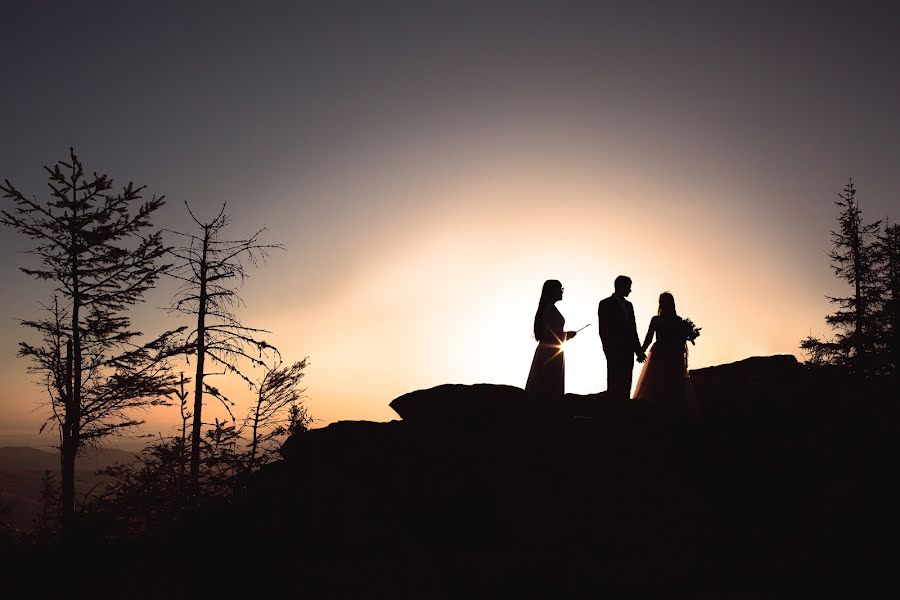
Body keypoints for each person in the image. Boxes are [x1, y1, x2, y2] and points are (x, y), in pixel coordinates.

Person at [633, 292, 697, 415]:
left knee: (663, 385)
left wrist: (641, 351)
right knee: (664, 384)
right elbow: (649, 338)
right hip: (667, 355)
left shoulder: (660, 320)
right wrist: (641, 351)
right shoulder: (676, 321)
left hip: (667, 355)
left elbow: (649, 338)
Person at [525, 280, 578, 401]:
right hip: (549, 353)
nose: (562, 291)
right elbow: (550, 335)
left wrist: (565, 336)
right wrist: (567, 335)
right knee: (548, 386)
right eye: (560, 288)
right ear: (552, 291)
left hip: (549, 351)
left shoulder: (548, 308)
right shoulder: (549, 310)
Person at [597, 275, 644, 401]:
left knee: (626, 382)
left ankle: (624, 410)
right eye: (628, 287)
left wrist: (638, 350)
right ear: (620, 287)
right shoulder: (605, 304)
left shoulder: (629, 306)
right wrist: (608, 349)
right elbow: (603, 330)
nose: (630, 290)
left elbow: (633, 330)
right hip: (614, 350)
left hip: (628, 351)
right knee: (614, 382)